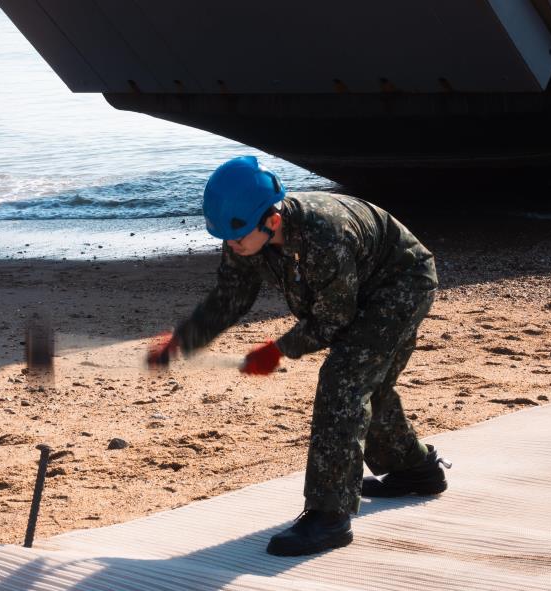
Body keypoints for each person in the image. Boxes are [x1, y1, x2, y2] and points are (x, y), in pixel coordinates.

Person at [148, 156, 451, 557]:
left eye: (237, 240)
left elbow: (333, 321)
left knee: (343, 382)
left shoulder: (325, 235)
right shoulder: (245, 231)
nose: (232, 248)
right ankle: (416, 470)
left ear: (272, 220)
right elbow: (231, 295)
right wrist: (184, 339)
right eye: (226, 240)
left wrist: (277, 350)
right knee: (367, 384)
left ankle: (328, 517)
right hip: (354, 285)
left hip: (399, 284)